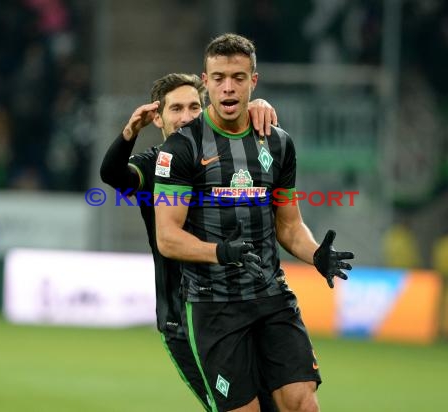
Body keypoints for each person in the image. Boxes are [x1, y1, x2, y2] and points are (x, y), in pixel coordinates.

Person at [154, 34, 354, 411]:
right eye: (218, 78)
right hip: (215, 307)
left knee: (302, 404)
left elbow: (290, 226)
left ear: (253, 81)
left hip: (271, 297)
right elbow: (167, 237)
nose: (228, 87)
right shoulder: (181, 149)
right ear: (206, 80)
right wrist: (220, 252)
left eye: (238, 77)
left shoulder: (277, 144)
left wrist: (316, 255)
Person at [100, 73, 278, 411]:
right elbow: (112, 174)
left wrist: (257, 107)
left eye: (194, 106)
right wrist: (128, 133)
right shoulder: (154, 164)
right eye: (176, 108)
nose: (186, 116)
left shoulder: (230, 155)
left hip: (241, 306)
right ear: (158, 117)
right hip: (184, 318)